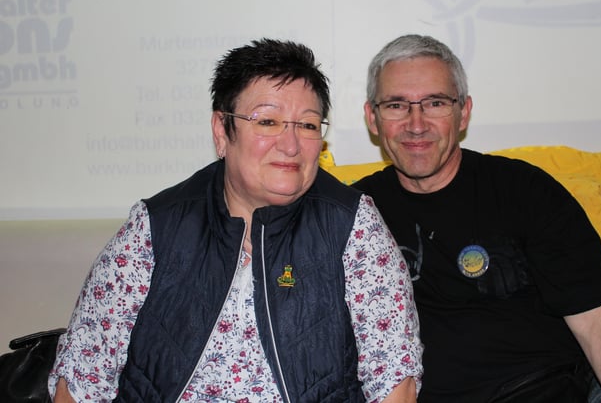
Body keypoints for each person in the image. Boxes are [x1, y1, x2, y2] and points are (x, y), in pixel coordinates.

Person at [49, 38, 423, 402]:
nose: (290, 144)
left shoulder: (352, 225)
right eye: (268, 121)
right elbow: (82, 380)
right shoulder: (155, 227)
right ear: (222, 130)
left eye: (308, 125)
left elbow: (394, 380)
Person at [352, 34, 601, 402]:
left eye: (436, 103)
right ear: (373, 118)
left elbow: (600, 323)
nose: (416, 123)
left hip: (547, 390)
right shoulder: (351, 214)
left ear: (464, 112)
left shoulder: (527, 191)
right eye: (396, 105)